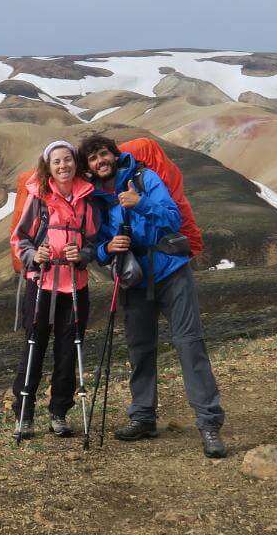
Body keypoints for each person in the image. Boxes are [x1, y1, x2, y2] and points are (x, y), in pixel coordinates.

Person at [78, 134, 229, 458]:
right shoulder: (95, 200)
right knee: (140, 350)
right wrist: (108, 248)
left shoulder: (144, 178)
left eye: (103, 154)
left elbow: (173, 217)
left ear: (114, 155)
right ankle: (143, 417)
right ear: (88, 166)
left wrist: (140, 203)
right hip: (134, 279)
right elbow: (97, 246)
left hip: (172, 272)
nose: (100, 161)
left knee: (190, 345)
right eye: (92, 158)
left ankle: (209, 424)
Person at [9, 140, 99, 438]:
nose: (63, 166)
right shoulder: (38, 198)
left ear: (75, 162)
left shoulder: (87, 198)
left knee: (67, 351)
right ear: (48, 166)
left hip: (74, 285)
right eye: (57, 161)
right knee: (33, 348)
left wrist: (82, 255)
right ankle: (24, 415)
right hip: (41, 283)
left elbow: (94, 241)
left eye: (67, 159)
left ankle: (59, 413)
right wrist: (34, 255)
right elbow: (21, 237)